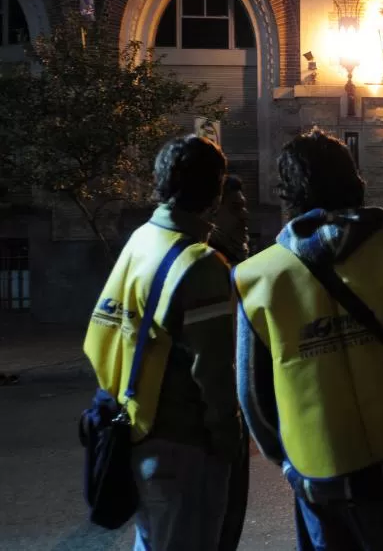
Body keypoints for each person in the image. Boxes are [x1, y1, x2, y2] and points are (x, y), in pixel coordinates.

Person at [234, 130, 383, 551]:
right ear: (356, 181)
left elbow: (253, 395)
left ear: (287, 193)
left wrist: (291, 465)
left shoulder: (257, 277)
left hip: (319, 478)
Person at [83, 135, 240, 551]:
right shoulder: (201, 264)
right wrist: (229, 439)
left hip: (134, 430)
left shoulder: (142, 240)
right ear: (216, 190)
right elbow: (214, 373)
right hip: (184, 447)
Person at [209, 174, 251, 551]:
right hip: (208, 430)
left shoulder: (233, 260)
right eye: (235, 208)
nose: (245, 216)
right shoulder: (208, 267)